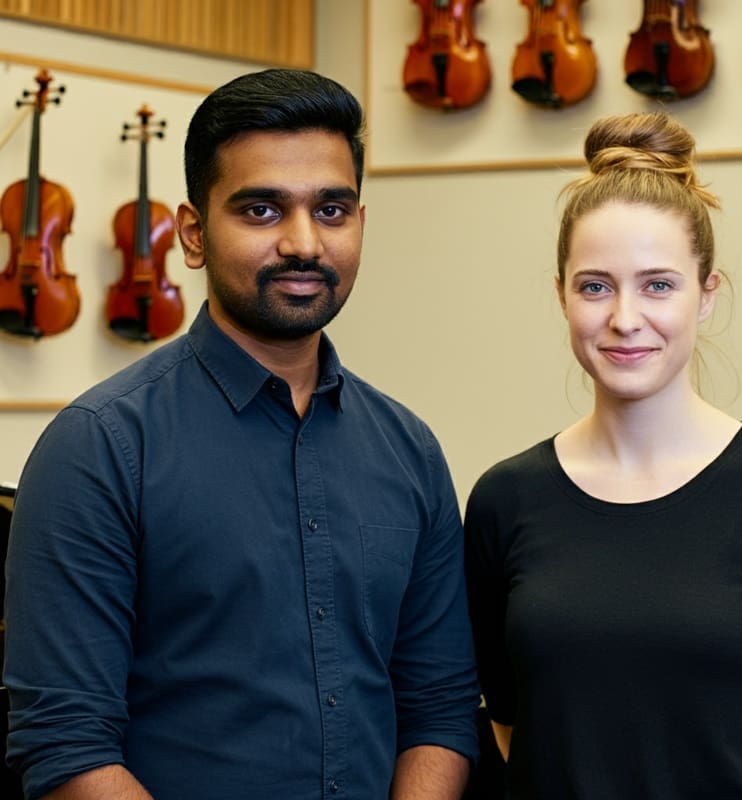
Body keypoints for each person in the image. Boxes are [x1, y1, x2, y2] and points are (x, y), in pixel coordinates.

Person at [4, 68, 480, 800]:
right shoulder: (97, 448)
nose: (302, 243)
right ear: (192, 235)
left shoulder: (410, 450)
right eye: (261, 210)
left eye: (332, 210)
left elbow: (439, 711)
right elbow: (67, 745)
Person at [464, 111, 742, 799]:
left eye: (658, 284)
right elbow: (505, 723)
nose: (623, 317)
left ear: (706, 295)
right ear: (561, 296)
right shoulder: (504, 500)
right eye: (595, 286)